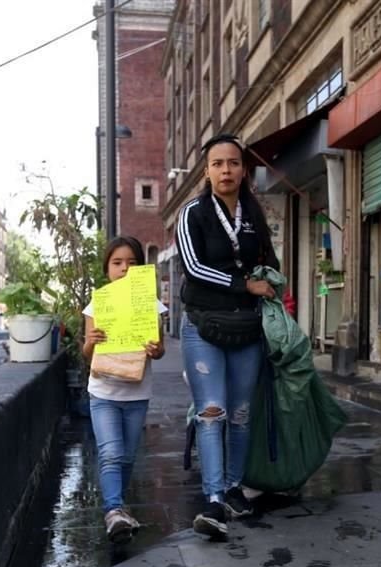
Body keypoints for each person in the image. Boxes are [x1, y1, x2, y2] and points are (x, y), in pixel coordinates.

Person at [176, 132, 280, 539]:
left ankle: (235, 488)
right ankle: (214, 499)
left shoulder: (254, 214)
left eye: (233, 163)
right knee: (212, 411)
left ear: (243, 169)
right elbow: (194, 268)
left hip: (247, 328)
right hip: (204, 325)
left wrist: (270, 283)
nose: (226, 170)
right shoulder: (193, 214)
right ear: (207, 171)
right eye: (218, 164)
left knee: (240, 414)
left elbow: (267, 261)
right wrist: (245, 285)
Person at [82, 236, 166, 542]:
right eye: (117, 263)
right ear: (107, 268)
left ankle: (119, 508)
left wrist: (156, 349)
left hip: (137, 392)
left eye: (132, 263)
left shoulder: (151, 304)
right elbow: (87, 355)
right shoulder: (98, 303)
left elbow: (160, 350)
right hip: (103, 391)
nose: (124, 268)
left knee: (128, 456)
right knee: (111, 452)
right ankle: (113, 510)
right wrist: (91, 342)